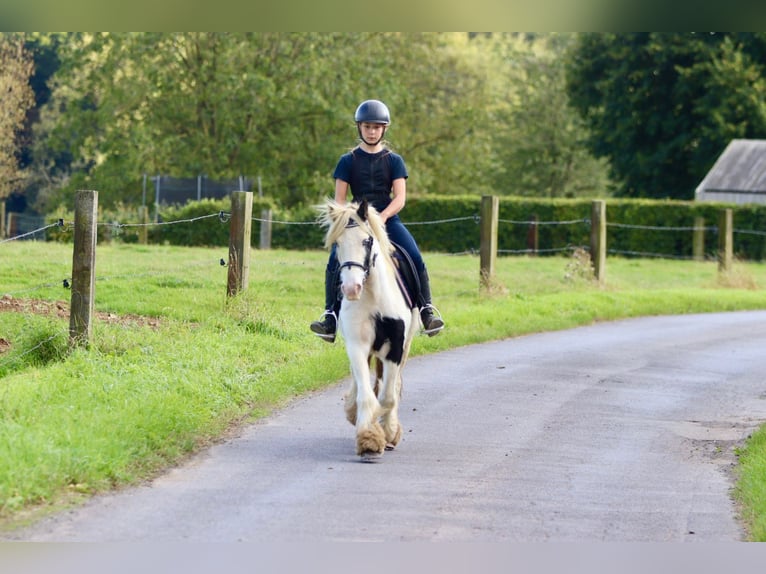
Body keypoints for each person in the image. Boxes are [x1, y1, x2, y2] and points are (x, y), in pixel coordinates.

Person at [310, 99, 445, 343]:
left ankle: (426, 309)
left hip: (387, 219)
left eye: (376, 127)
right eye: (367, 126)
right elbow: (340, 201)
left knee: (414, 256)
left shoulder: (394, 161)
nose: (371, 131)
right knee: (334, 260)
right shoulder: (347, 161)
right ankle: (330, 315)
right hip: (356, 222)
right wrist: (349, 222)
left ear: (384, 129)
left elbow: (400, 197)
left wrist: (381, 217)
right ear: (359, 128)